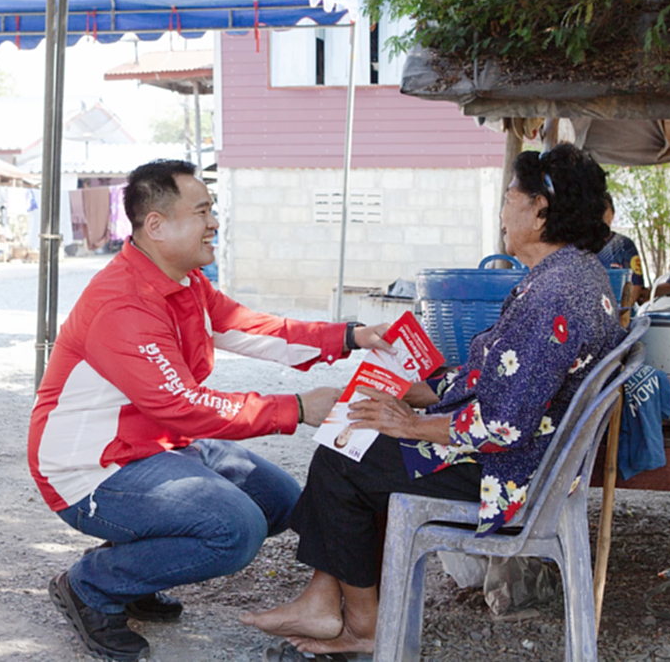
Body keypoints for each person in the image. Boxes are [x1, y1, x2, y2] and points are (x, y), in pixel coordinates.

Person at [239, 144, 625, 657]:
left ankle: (362, 624)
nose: (503, 206)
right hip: (531, 456)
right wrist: (431, 388)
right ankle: (322, 597)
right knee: (356, 432)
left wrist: (413, 424)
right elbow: (507, 377)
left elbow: (505, 422)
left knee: (344, 454)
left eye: (511, 194)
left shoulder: (556, 293)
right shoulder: (576, 275)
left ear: (540, 210)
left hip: (511, 470)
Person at [28, 159, 391, 662]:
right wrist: (296, 408)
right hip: (93, 470)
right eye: (202, 212)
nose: (214, 223)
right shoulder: (124, 305)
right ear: (156, 225)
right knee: (236, 529)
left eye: (211, 210)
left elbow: (253, 328)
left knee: (284, 502)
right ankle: (91, 585)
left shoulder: (186, 283)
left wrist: (348, 337)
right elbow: (183, 405)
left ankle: (137, 568)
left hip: (160, 448)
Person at [596, 192, 646, 306]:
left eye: (604, 209)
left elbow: (635, 286)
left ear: (613, 213)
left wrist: (618, 315)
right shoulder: (577, 247)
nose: (600, 215)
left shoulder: (624, 245)